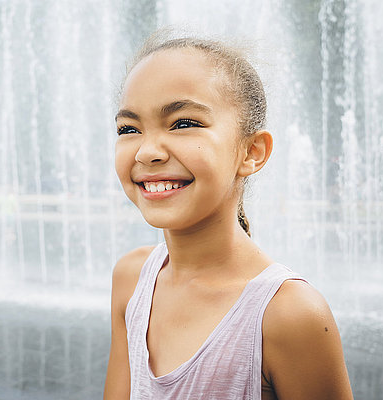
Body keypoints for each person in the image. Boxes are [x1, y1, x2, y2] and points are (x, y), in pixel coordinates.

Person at [103, 29, 353, 400]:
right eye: (129, 128)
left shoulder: (289, 315)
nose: (146, 152)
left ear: (252, 151)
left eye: (184, 123)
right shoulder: (132, 279)